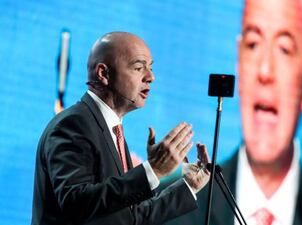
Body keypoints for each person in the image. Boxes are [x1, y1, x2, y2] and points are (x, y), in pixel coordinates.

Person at [164, 0, 302, 225]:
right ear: (239, 63)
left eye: (284, 49)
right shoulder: (172, 206)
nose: (264, 71)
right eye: (253, 44)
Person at [31, 32, 210, 225]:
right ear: (104, 74)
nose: (151, 77)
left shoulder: (112, 129)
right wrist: (153, 170)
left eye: (150, 68)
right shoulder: (73, 124)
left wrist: (189, 186)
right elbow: (75, 203)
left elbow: (129, 218)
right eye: (139, 67)